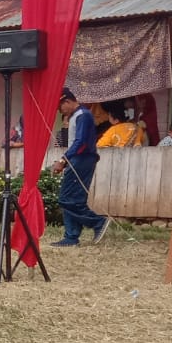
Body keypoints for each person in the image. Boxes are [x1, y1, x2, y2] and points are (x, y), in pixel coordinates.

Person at [52, 88, 106, 247]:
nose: (60, 111)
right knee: (72, 198)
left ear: (67, 101)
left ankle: (97, 222)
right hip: (77, 159)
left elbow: (81, 143)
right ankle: (71, 236)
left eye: (60, 107)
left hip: (82, 159)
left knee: (66, 198)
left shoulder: (83, 115)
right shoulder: (77, 116)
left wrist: (63, 160)